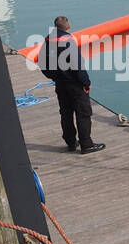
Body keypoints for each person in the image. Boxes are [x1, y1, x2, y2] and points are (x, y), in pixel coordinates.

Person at [42, 16, 104, 154]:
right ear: (68, 26)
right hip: (74, 84)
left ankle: (70, 142)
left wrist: (54, 76)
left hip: (60, 84)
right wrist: (86, 83)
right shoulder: (68, 40)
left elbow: (42, 62)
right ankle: (86, 144)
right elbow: (77, 65)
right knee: (83, 113)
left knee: (66, 113)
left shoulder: (48, 39)